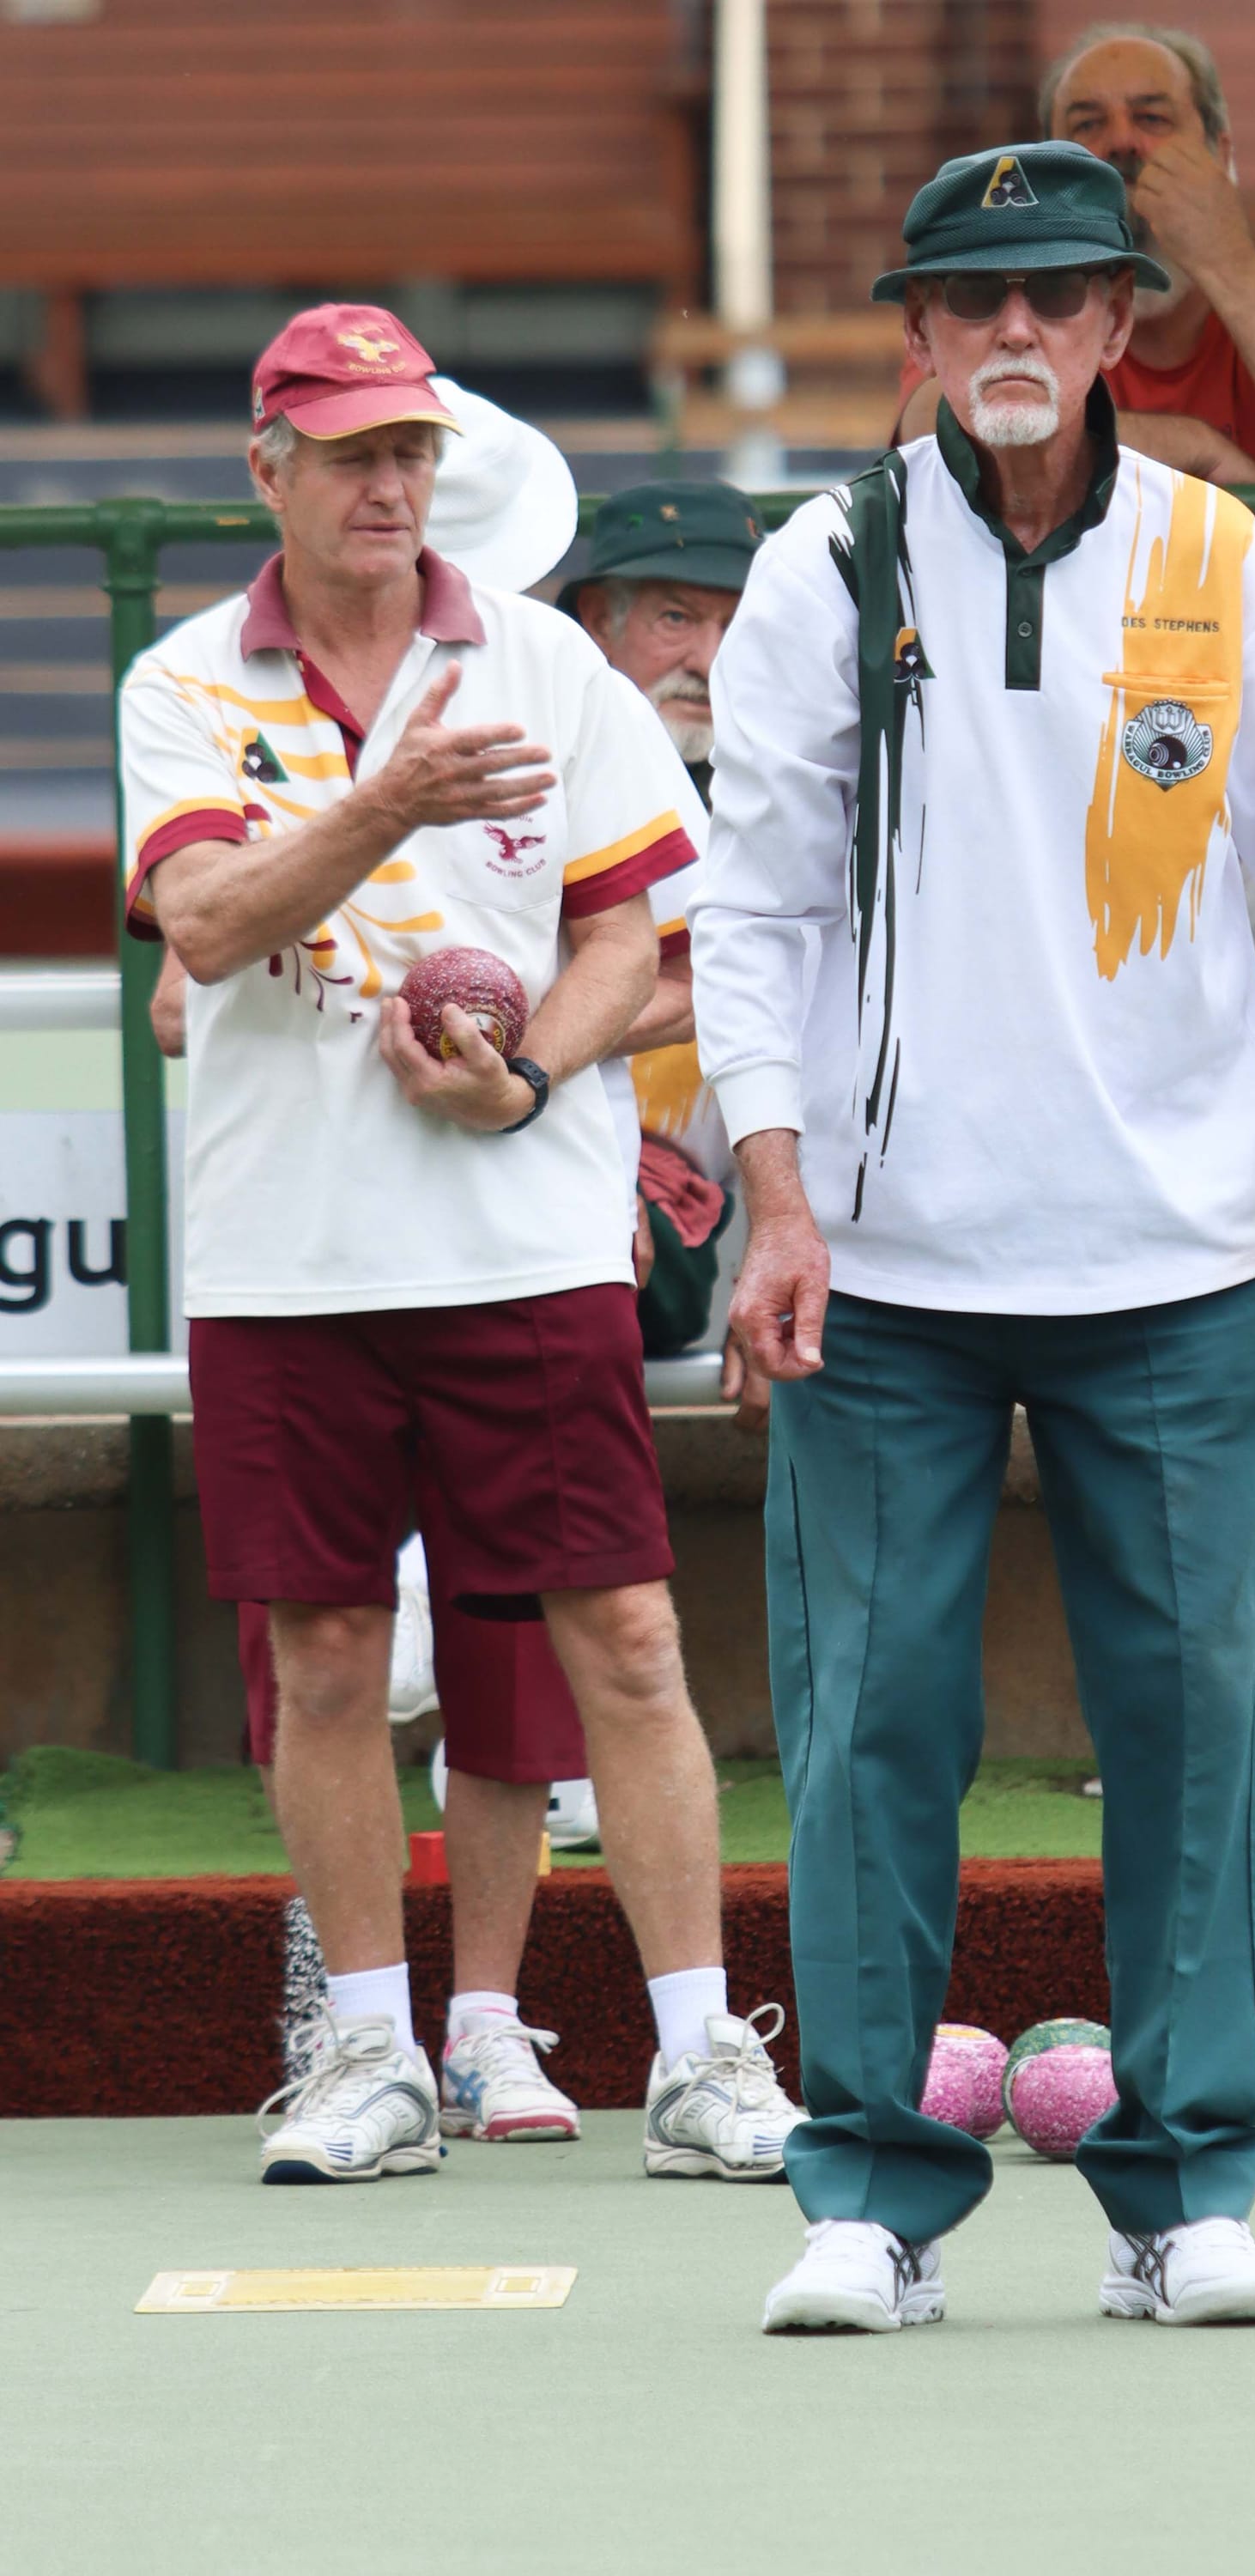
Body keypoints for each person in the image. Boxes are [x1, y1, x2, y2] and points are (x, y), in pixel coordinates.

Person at [692, 143, 1255, 2330]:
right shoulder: (824, 563)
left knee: (1192, 1732)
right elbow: (752, 911)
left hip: (1177, 1260)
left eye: (1055, 297)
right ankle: (866, 2199)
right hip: (884, 1271)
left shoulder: (1216, 552)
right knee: (867, 1727)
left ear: (1116, 325)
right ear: (917, 337)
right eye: (970, 300)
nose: (1012, 332)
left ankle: (1180, 2195)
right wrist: (775, 1190)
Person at [121, 304, 800, 2184]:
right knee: (328, 1656)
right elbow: (205, 922)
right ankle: (372, 2053)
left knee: (629, 1640)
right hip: (287, 1255)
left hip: (527, 1240)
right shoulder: (182, 685)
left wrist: (530, 1082)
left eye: (412, 450)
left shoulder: (550, 664)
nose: (391, 484)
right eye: (353, 453)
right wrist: (386, 805)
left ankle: (700, 2056)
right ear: (269, 470)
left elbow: (634, 937)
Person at [898, 27, 1255, 1403]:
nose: (1121, 148)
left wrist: (1216, 254)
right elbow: (928, 426)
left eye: (1155, 120)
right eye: (1087, 123)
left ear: (1222, 149)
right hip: (1036, 800)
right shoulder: (1006, 317)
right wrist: (1196, 461)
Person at [561, 478, 772, 1424]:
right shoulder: (515, 769)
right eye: (677, 619)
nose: (709, 660)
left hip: (675, 1231)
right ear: (596, 624)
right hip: (534, 1165)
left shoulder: (816, 806)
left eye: (739, 625)